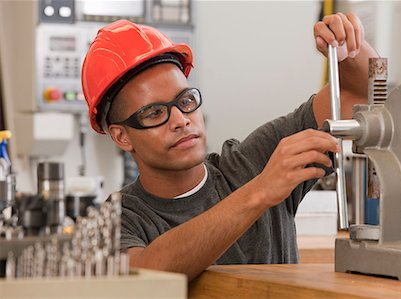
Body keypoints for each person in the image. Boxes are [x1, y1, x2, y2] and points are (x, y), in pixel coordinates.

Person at [81, 12, 377, 281]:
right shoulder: (116, 221)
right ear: (122, 136)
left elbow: (360, 93)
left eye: (185, 101)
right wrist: (259, 192)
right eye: (154, 113)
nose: (181, 120)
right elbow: (144, 275)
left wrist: (349, 49)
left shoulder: (251, 162)